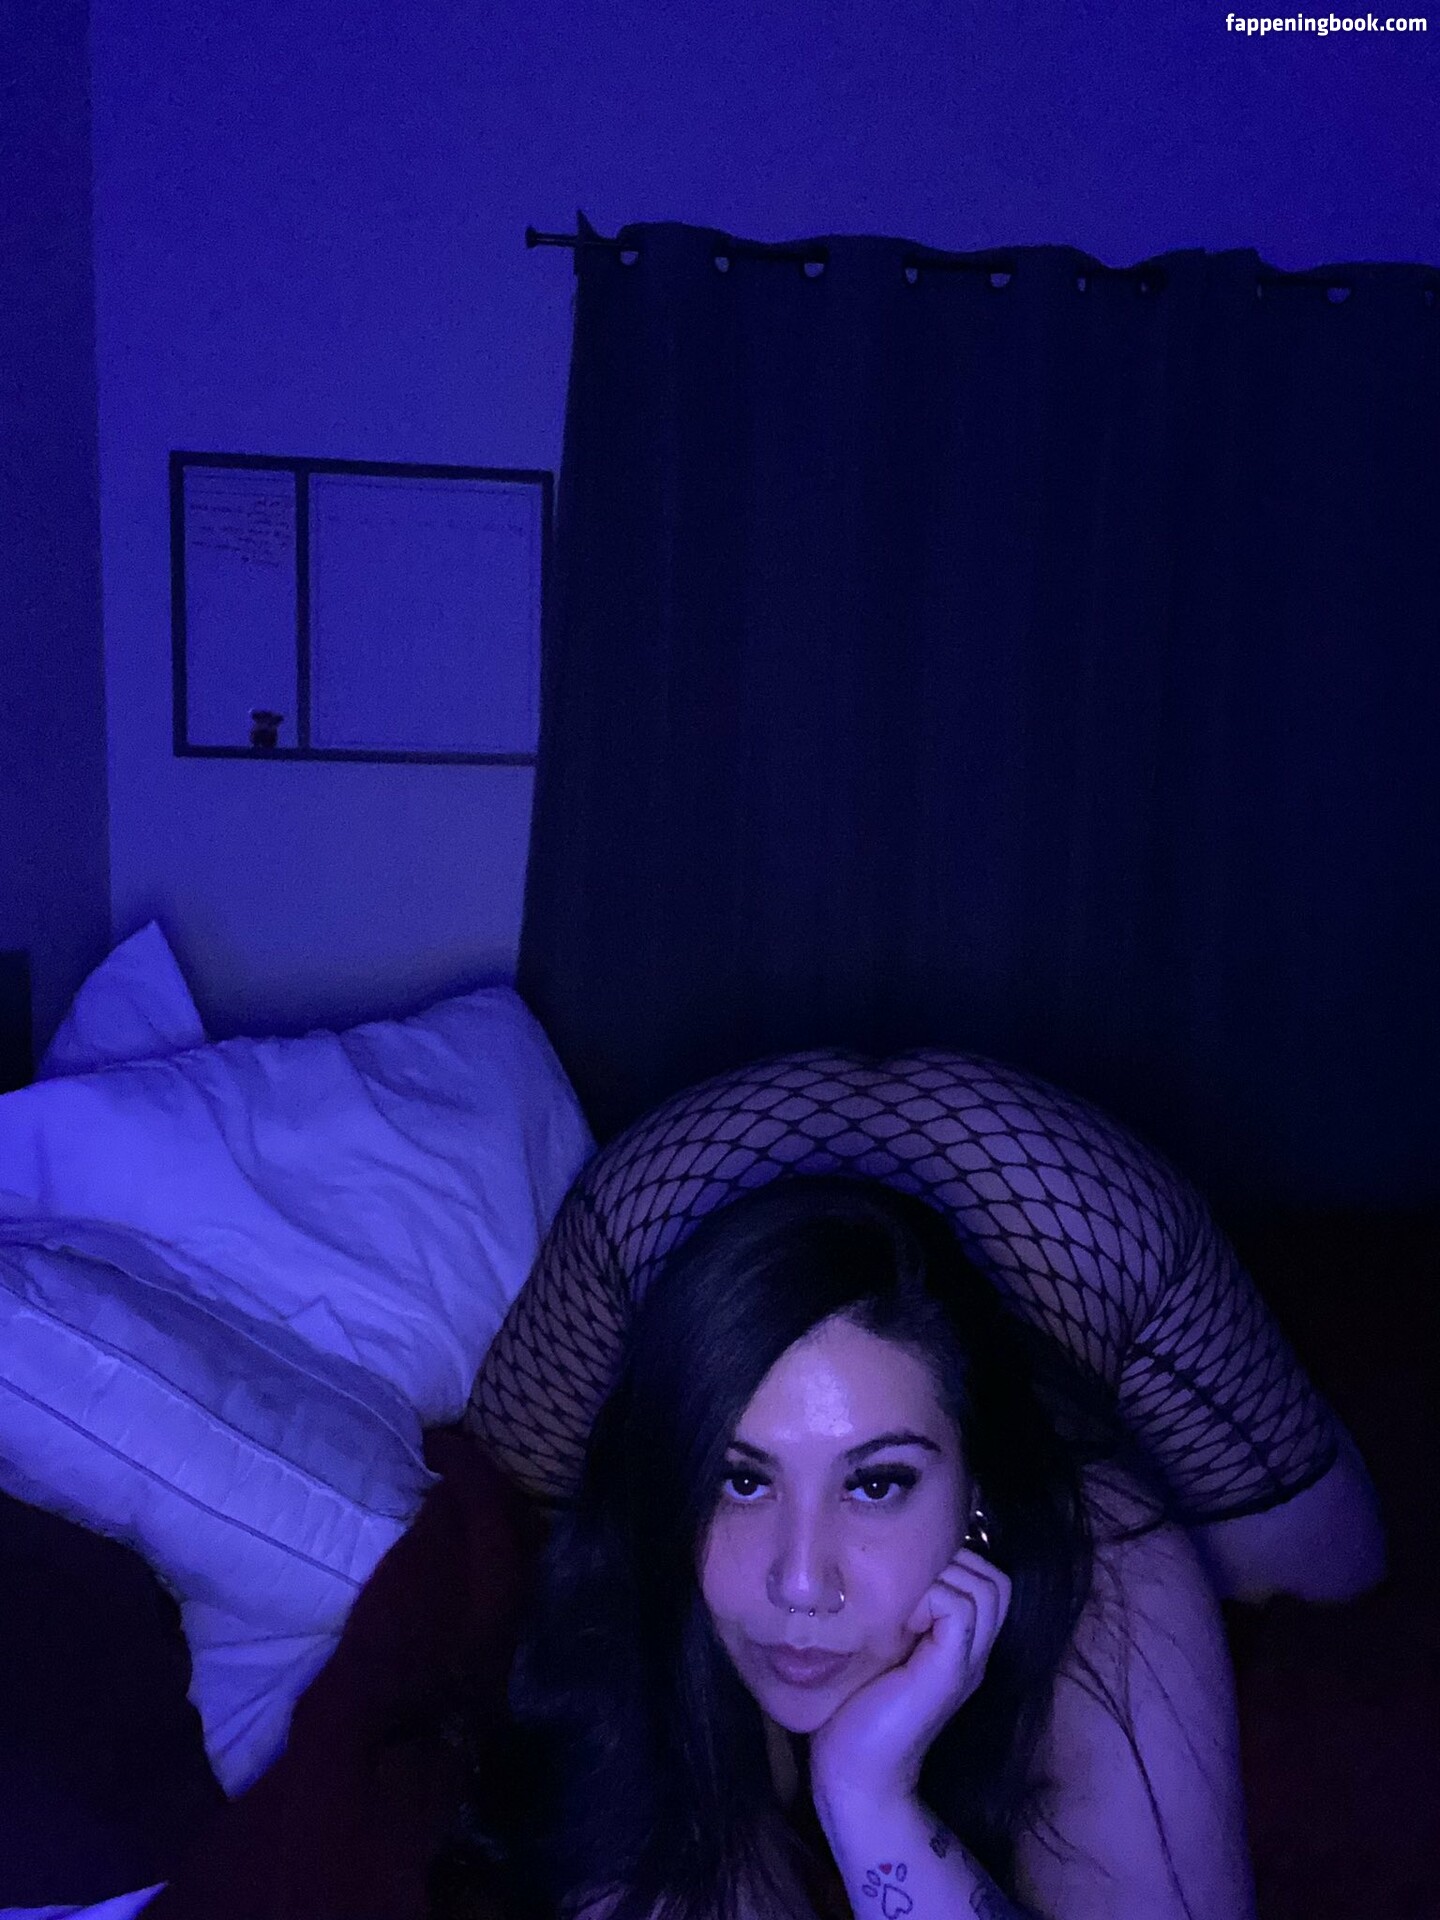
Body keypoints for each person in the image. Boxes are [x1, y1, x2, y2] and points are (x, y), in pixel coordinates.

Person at [476, 1176, 1257, 1920]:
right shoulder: (625, 1638)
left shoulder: (1110, 1567)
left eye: (875, 1485)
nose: (801, 1582)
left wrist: (871, 1804)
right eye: (741, 1482)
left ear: (978, 1489)